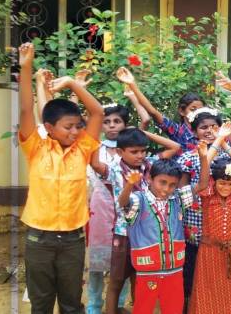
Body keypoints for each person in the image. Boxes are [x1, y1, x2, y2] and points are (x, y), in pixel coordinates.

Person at [16, 42, 104, 314]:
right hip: (38, 240)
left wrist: (72, 85)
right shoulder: (36, 147)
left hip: (72, 241)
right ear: (50, 128)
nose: (75, 132)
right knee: (40, 304)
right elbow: (26, 111)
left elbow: (98, 112)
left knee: (71, 303)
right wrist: (26, 67)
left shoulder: (82, 150)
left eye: (78, 126)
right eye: (68, 127)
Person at [104, 127, 181, 314]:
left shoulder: (151, 164)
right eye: (134, 151)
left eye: (143, 150)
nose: (140, 155)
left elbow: (175, 146)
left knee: (140, 279)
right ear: (120, 151)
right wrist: (129, 184)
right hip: (124, 231)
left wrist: (144, 134)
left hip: (148, 235)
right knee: (117, 280)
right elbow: (121, 203)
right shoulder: (113, 168)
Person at [189, 122, 231, 314]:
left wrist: (225, 143)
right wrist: (219, 139)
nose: (226, 187)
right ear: (214, 181)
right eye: (222, 183)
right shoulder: (207, 192)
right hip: (209, 250)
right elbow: (206, 163)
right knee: (208, 292)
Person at [118, 156, 194, 314]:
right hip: (147, 270)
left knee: (174, 308)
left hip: (175, 270)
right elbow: (123, 203)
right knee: (143, 308)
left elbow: (202, 185)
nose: (166, 189)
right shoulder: (138, 200)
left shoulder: (177, 199)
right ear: (149, 178)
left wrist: (205, 155)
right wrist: (130, 185)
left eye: (172, 184)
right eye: (162, 182)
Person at [85, 104, 131, 314]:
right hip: (100, 207)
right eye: (107, 121)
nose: (112, 125)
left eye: (117, 121)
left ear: (125, 124)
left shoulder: (131, 150)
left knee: (124, 261)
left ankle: (119, 304)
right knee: (97, 261)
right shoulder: (96, 147)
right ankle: (94, 305)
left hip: (127, 209)